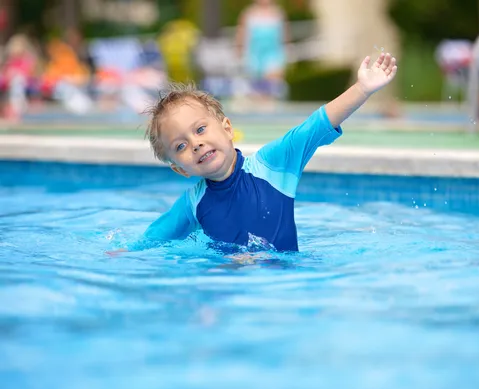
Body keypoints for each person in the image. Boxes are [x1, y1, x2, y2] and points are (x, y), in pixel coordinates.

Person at [115, 52, 397, 254]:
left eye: (200, 130)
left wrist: (362, 89)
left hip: (287, 281)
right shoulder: (192, 203)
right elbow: (153, 238)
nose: (195, 144)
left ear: (227, 128)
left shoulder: (273, 164)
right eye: (180, 146)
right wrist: (123, 253)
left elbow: (316, 124)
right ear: (179, 168)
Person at [235, 0, 289, 100]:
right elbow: (241, 35)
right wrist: (239, 55)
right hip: (253, 57)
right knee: (256, 95)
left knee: (272, 89)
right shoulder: (248, 14)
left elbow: (284, 36)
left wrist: (286, 56)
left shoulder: (278, 13)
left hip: (273, 56)